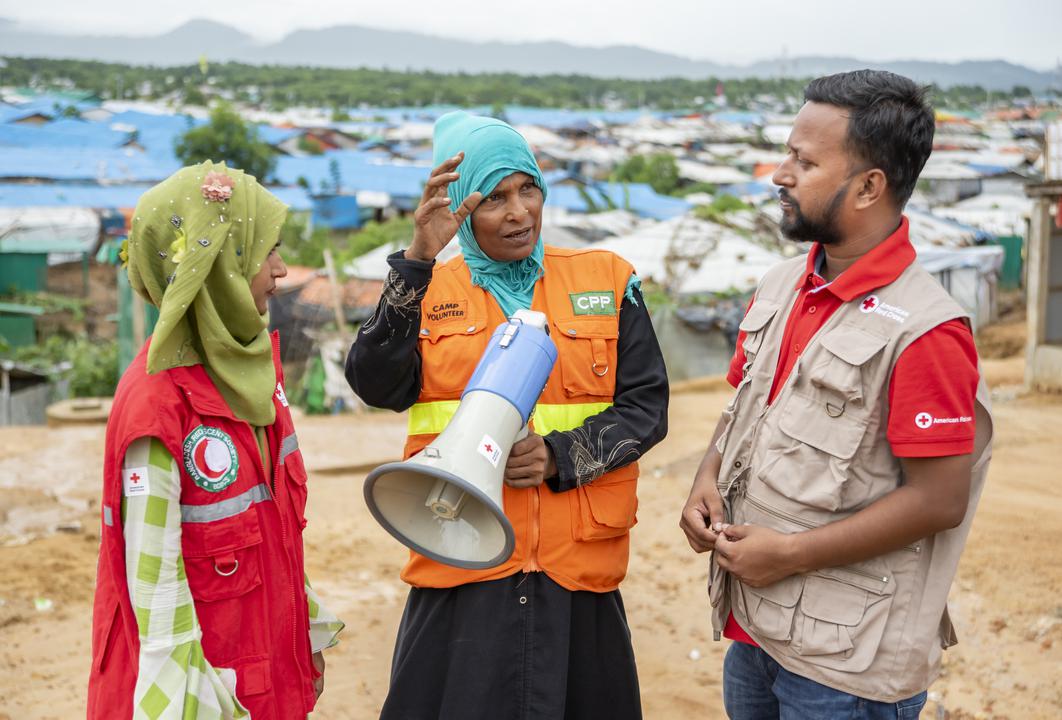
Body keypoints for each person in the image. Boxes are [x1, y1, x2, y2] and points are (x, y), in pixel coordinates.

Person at [679, 70, 994, 719]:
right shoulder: (782, 283)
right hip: (760, 633)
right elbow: (744, 402)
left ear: (869, 185)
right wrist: (706, 474)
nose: (781, 174)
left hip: (845, 669)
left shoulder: (925, 330)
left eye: (804, 160)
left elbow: (939, 500)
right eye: (787, 152)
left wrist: (790, 554)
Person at [346, 111, 669, 719]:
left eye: (529, 189)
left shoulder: (606, 280)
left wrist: (558, 456)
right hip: (463, 559)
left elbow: (647, 408)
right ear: (461, 208)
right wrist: (417, 258)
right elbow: (374, 383)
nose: (519, 212)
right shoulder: (427, 288)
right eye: (494, 197)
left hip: (576, 572)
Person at [87, 162, 344, 719]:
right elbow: (159, 608)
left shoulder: (249, 379)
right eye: (264, 252)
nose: (279, 270)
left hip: (264, 686)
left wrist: (304, 638)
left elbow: (276, 537)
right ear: (218, 265)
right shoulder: (158, 407)